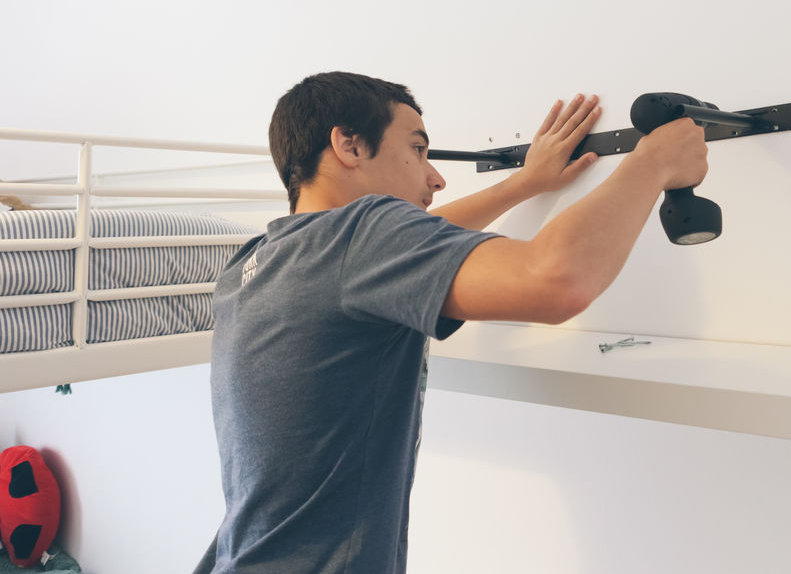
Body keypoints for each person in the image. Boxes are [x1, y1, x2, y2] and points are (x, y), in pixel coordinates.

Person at [194, 72, 708, 573]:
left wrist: (523, 184)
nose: (436, 178)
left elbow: (410, 243)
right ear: (349, 146)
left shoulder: (257, 261)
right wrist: (654, 162)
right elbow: (558, 281)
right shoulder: (360, 235)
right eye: (418, 149)